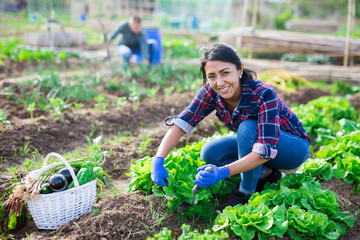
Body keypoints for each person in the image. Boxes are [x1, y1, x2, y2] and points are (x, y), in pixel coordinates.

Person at [150, 43, 311, 213]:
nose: (219, 82)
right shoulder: (210, 93)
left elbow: (264, 151)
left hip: (293, 148)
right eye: (211, 76)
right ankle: (268, 175)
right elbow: (181, 124)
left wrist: (222, 172)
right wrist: (158, 160)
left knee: (247, 127)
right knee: (210, 153)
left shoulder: (263, 94)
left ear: (240, 70)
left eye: (225, 73)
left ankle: (244, 194)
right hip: (259, 145)